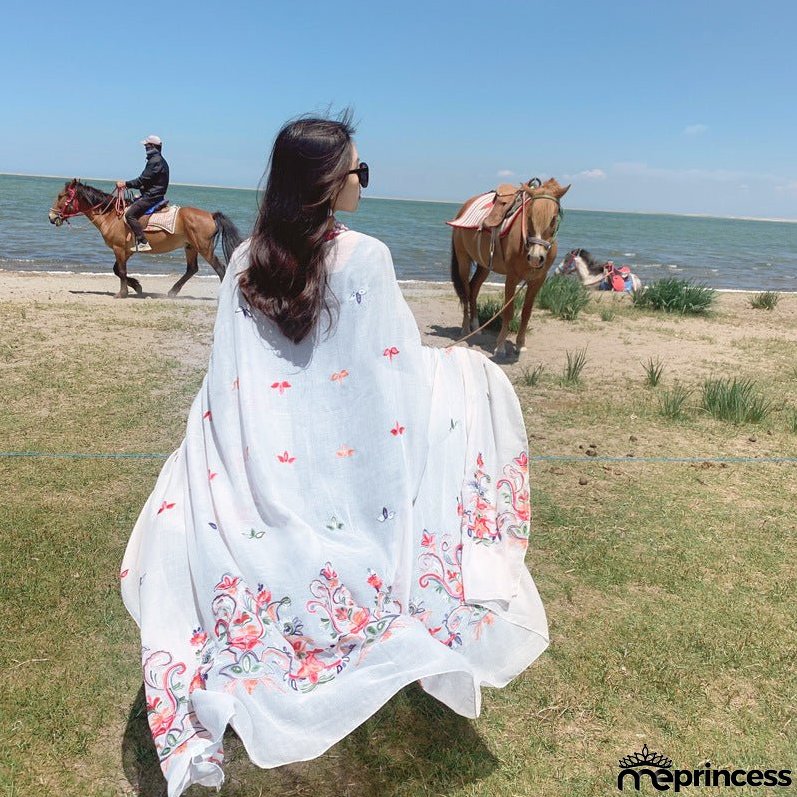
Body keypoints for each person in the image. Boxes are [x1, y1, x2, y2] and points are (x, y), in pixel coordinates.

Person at [120, 114, 549, 796]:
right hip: (344, 461)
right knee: (472, 388)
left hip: (266, 454)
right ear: (327, 182)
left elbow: (232, 380)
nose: (363, 183)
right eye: (359, 171)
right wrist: (462, 368)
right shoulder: (366, 258)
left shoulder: (242, 260)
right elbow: (393, 374)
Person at [117, 134, 170, 252]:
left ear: (152, 146)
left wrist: (125, 184)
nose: (145, 148)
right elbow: (149, 181)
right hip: (154, 194)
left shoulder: (155, 161)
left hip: (152, 196)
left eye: (146, 146)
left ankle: (143, 241)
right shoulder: (159, 160)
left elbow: (142, 179)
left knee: (129, 215)